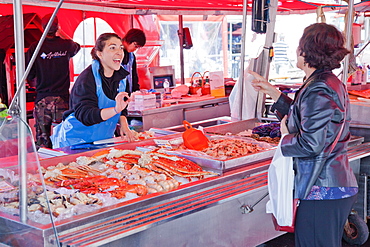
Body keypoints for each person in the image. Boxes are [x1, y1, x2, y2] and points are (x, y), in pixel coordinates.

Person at [250, 23, 358, 247]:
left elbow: (311, 143)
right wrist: (275, 94)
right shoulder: (325, 82)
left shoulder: (319, 88)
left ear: (306, 51)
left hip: (323, 189)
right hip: (329, 185)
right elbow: (309, 118)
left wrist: (284, 137)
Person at [51, 33, 137, 148]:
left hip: (102, 141)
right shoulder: (86, 79)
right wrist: (115, 109)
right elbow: (86, 115)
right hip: (75, 143)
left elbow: (122, 107)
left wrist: (124, 124)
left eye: (121, 48)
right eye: (112, 48)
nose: (119, 52)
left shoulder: (122, 78)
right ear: (99, 54)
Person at [26, 13, 80, 148]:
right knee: (63, 137)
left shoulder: (35, 47)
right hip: (63, 99)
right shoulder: (66, 45)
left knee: (43, 141)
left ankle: (44, 167)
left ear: (43, 28)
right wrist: (61, 33)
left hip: (42, 99)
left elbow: (29, 75)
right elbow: (77, 46)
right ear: (57, 28)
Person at [121, 28, 146, 93]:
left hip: (129, 94)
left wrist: (136, 92)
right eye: (136, 46)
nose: (135, 49)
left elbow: (134, 75)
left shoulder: (131, 56)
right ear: (130, 40)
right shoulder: (116, 53)